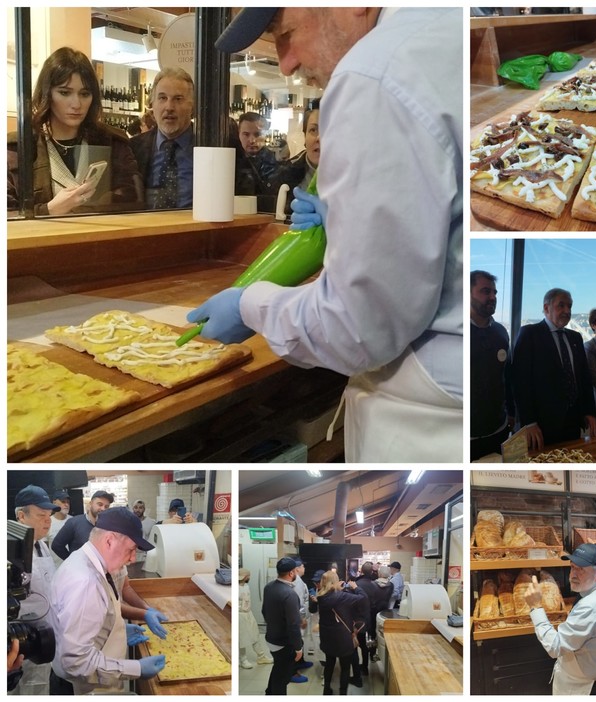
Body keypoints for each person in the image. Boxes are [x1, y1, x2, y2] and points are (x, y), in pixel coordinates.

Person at [191, 8, 463, 463]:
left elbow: (358, 327)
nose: (286, 64)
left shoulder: (369, 74)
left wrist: (251, 305)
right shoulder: (440, 29)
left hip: (427, 420)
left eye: (286, 35)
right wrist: (341, 225)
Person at [7, 46, 141, 215]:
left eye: (85, 94)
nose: (76, 104)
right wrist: (48, 210)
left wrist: (105, 202)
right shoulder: (16, 149)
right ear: (47, 94)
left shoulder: (113, 143)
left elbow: (133, 204)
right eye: (64, 92)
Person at [48, 507, 166, 694]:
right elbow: (76, 662)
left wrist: (114, 632)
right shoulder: (86, 582)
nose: (133, 558)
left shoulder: (88, 562)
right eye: (132, 549)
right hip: (82, 688)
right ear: (109, 540)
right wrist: (136, 668)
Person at [524, 544, 596, 695]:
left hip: (584, 687)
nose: (573, 575)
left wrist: (535, 607)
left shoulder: (592, 607)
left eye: (581, 569)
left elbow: (555, 647)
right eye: (572, 567)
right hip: (595, 673)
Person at [512, 288, 596, 451]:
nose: (567, 311)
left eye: (570, 306)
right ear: (546, 308)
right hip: (541, 425)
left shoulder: (575, 337)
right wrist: (529, 423)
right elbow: (520, 382)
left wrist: (589, 412)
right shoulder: (530, 334)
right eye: (561, 306)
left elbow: (584, 378)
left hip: (572, 421)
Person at [12, 485, 61, 695]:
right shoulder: (10, 550)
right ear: (21, 516)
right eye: (41, 515)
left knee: (39, 690)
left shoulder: (41, 545)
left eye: (49, 515)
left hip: (43, 638)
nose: (48, 520)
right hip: (20, 643)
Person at [128, 67, 195, 209]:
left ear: (192, 106)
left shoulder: (210, 145)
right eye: (162, 98)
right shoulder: (133, 148)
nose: (169, 107)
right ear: (152, 104)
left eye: (178, 99)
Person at [470, 270, 513, 460]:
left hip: (499, 429)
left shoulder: (500, 332)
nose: (492, 297)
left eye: (495, 292)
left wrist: (511, 412)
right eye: (485, 291)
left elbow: (507, 376)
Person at [316, 570, 368, 695]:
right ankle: (342, 692)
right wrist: (356, 588)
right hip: (342, 637)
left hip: (327, 636)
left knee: (329, 664)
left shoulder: (320, 595)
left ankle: (327, 689)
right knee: (345, 667)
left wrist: (336, 588)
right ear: (335, 582)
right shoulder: (342, 596)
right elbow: (363, 599)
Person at [261, 557, 304, 695]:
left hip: (270, 637)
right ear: (291, 573)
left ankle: (269, 693)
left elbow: (264, 611)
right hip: (283, 643)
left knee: (278, 669)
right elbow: (293, 625)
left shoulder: (269, 587)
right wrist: (298, 647)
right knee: (283, 678)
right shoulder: (289, 594)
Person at [270, 100, 320, 214]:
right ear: (304, 137)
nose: (319, 138)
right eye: (313, 130)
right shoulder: (285, 175)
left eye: (327, 130)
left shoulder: (353, 177)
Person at [51, 489, 114, 560]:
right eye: (100, 504)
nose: (103, 509)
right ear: (90, 504)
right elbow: (57, 545)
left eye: (106, 506)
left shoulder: (108, 527)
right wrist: (71, 561)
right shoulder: (74, 523)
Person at [354, 561, 392, 675]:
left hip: (357, 617)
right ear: (372, 571)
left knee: (356, 642)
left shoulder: (357, 584)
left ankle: (357, 668)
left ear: (361, 570)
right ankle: (366, 664)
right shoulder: (375, 585)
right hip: (370, 615)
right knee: (368, 640)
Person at [239, 569, 274, 668]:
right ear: (245, 576)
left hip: (249, 614)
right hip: (239, 615)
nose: (249, 577)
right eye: (248, 576)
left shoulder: (246, 586)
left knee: (255, 635)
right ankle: (243, 660)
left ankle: (261, 656)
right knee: (241, 638)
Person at [290, 558, 314, 682]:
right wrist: (303, 618)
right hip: (298, 618)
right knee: (296, 643)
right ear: (297, 568)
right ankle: (293, 672)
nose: (305, 569)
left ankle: (301, 661)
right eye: (303, 566)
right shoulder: (296, 583)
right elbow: (298, 604)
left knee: (301, 641)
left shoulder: (299, 580)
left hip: (301, 616)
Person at [46, 490, 73, 567]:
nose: (66, 504)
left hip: (72, 569)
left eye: (68, 502)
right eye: (63, 501)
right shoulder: (47, 523)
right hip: (55, 570)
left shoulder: (74, 521)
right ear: (54, 503)